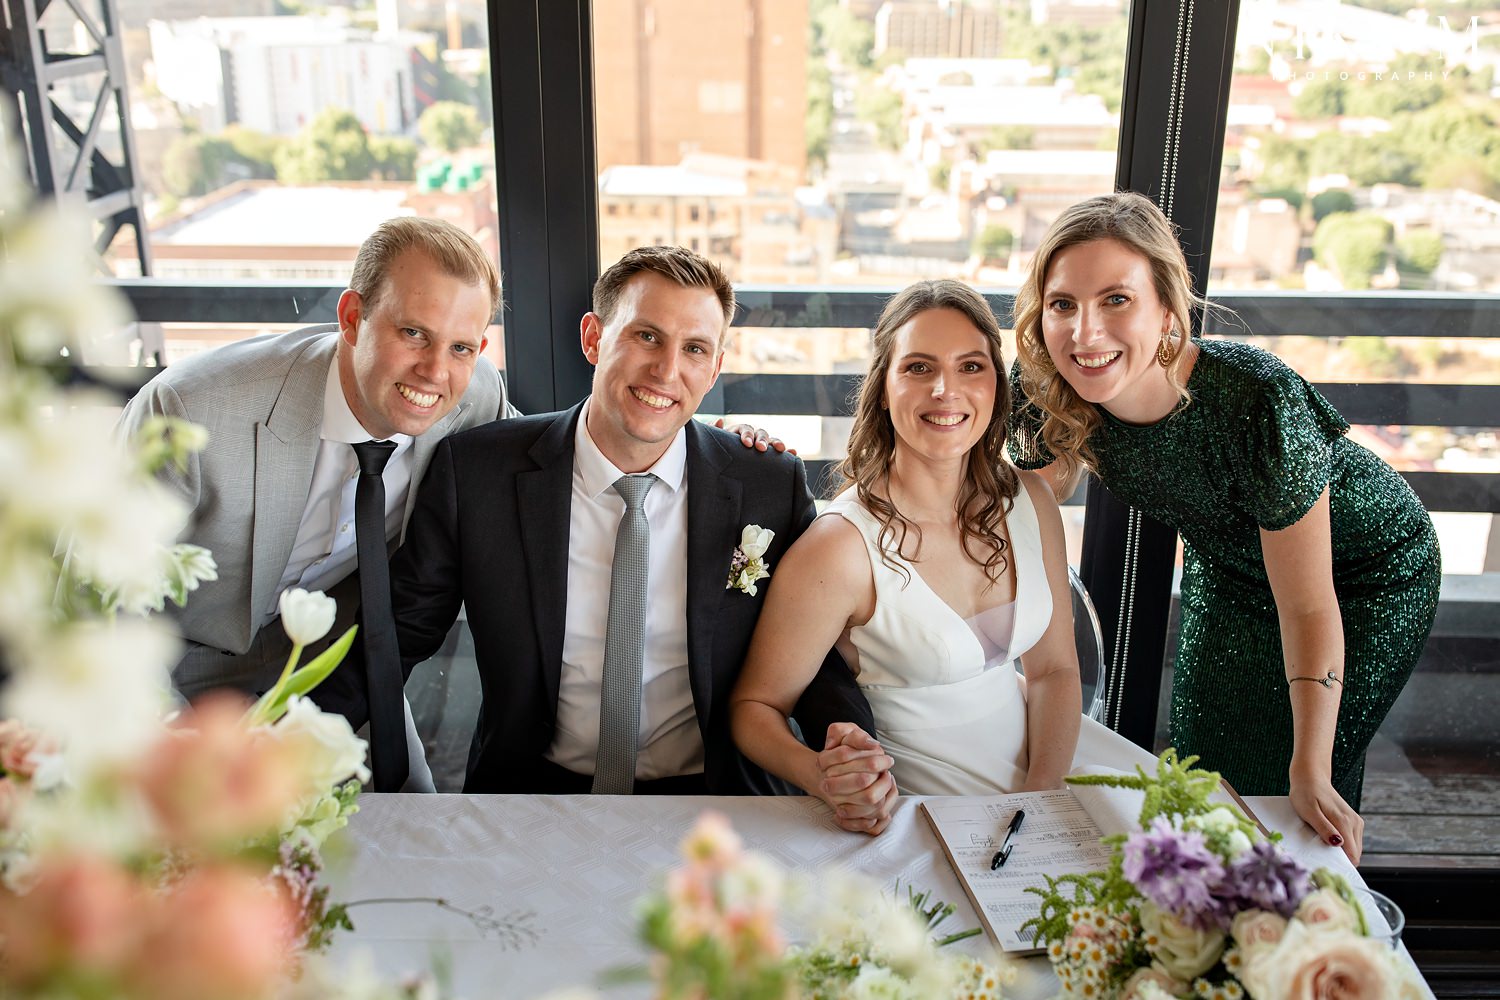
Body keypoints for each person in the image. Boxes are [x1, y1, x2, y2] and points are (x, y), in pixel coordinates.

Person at [313, 245, 876, 800]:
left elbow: (810, 647)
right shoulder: (476, 473)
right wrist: (284, 746)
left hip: (716, 795)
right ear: (593, 338)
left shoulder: (766, 484)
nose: (666, 370)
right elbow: (398, 636)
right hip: (532, 795)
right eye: (646, 336)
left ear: (716, 368)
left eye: (695, 349)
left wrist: (851, 751)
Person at [1009, 191, 1441, 864]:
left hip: (1365, 576)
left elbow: (1307, 601)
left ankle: (1305, 930)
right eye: (1063, 304)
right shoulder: (1041, 382)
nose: (1084, 333)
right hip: (1230, 567)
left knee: (1291, 781)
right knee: (1206, 773)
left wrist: (1311, 768)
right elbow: (1021, 509)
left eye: (1116, 300)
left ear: (1167, 307)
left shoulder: (1255, 399)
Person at [118, 216, 513, 792]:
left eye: (460, 346)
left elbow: (541, 465)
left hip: (332, 665)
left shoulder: (472, 395)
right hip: (177, 669)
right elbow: (97, 614)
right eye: (413, 334)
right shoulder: (190, 411)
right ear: (352, 318)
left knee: (419, 823)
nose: (436, 371)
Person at [730, 279, 1092, 828]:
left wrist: (1041, 797)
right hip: (933, 812)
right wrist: (822, 776)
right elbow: (754, 709)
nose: (946, 390)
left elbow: (1055, 672)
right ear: (883, 387)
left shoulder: (1031, 500)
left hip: (1055, 771)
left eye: (971, 366)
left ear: (996, 383)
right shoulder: (840, 548)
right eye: (919, 367)